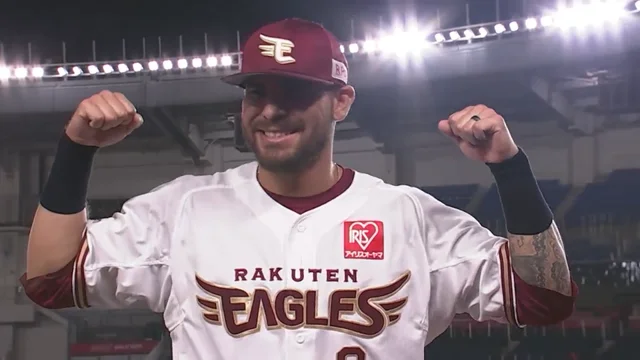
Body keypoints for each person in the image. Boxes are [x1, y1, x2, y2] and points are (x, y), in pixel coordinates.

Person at [21, 18, 577, 359]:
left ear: (341, 100)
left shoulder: (407, 215)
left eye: (294, 90)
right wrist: (76, 149)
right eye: (256, 90)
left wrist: (508, 166)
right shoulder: (185, 208)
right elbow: (50, 281)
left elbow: (544, 299)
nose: (270, 109)